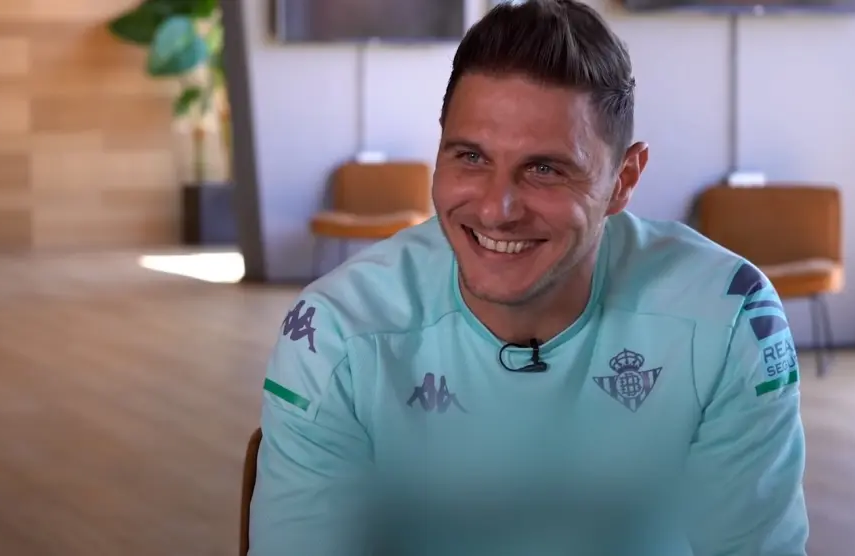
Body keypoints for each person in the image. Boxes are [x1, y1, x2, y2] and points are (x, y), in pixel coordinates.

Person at [248, 0, 809, 554]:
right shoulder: (335, 329)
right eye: (471, 157)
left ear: (623, 180)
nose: (497, 210)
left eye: (545, 169)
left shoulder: (728, 316)